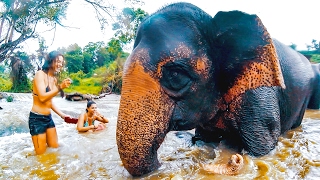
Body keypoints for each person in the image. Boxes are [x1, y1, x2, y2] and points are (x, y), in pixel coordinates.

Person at [29, 51, 72, 155]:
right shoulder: (40, 74)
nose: (60, 65)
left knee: (54, 150)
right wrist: (60, 87)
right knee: (41, 156)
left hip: (48, 118)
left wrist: (63, 115)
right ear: (50, 61)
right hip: (36, 119)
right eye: (57, 61)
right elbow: (43, 97)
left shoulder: (54, 79)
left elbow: (49, 102)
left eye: (61, 62)